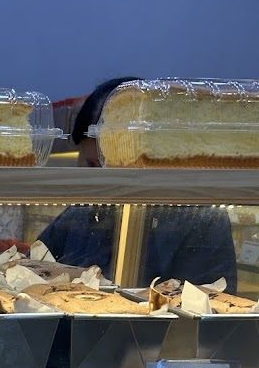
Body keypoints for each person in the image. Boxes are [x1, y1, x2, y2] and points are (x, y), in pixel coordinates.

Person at [37, 78, 238, 290]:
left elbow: (210, 306)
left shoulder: (198, 217)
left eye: (111, 164)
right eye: (92, 164)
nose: (101, 178)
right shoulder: (80, 212)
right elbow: (32, 266)